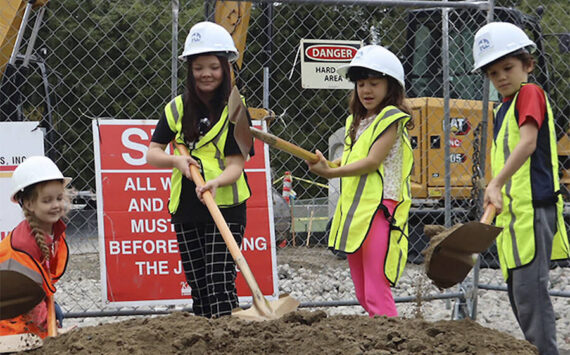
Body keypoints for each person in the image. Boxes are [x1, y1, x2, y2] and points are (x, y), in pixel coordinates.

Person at [472, 22, 570, 355]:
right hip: (512, 217)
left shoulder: (530, 94)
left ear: (527, 65)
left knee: (532, 296)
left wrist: (495, 182)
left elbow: (528, 143)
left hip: (533, 211)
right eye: (493, 72)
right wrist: (494, 188)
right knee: (519, 295)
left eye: (508, 67)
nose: (501, 76)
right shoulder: (503, 109)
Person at [145, 21, 252, 318]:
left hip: (226, 203)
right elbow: (152, 153)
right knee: (199, 283)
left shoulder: (237, 110)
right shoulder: (176, 109)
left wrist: (215, 182)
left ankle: (226, 335)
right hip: (187, 206)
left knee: (219, 278)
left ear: (225, 68)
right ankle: (207, 336)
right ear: (190, 71)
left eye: (214, 67)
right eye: (199, 67)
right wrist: (177, 161)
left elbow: (236, 165)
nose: (206, 74)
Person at [306, 45, 414, 317]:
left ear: (391, 87)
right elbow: (353, 158)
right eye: (361, 84)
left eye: (374, 83)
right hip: (357, 210)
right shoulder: (357, 120)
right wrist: (330, 164)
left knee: (376, 287)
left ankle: (391, 340)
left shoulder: (390, 119)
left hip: (381, 209)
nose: (366, 90)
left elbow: (371, 162)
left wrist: (330, 174)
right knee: (362, 290)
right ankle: (377, 335)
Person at [0, 156, 71, 338]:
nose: (56, 205)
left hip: (25, 304)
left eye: (59, 198)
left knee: (56, 311)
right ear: (29, 204)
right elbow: (27, 297)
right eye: (47, 201)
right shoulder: (23, 246)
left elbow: (43, 286)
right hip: (8, 317)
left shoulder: (52, 229)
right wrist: (50, 332)